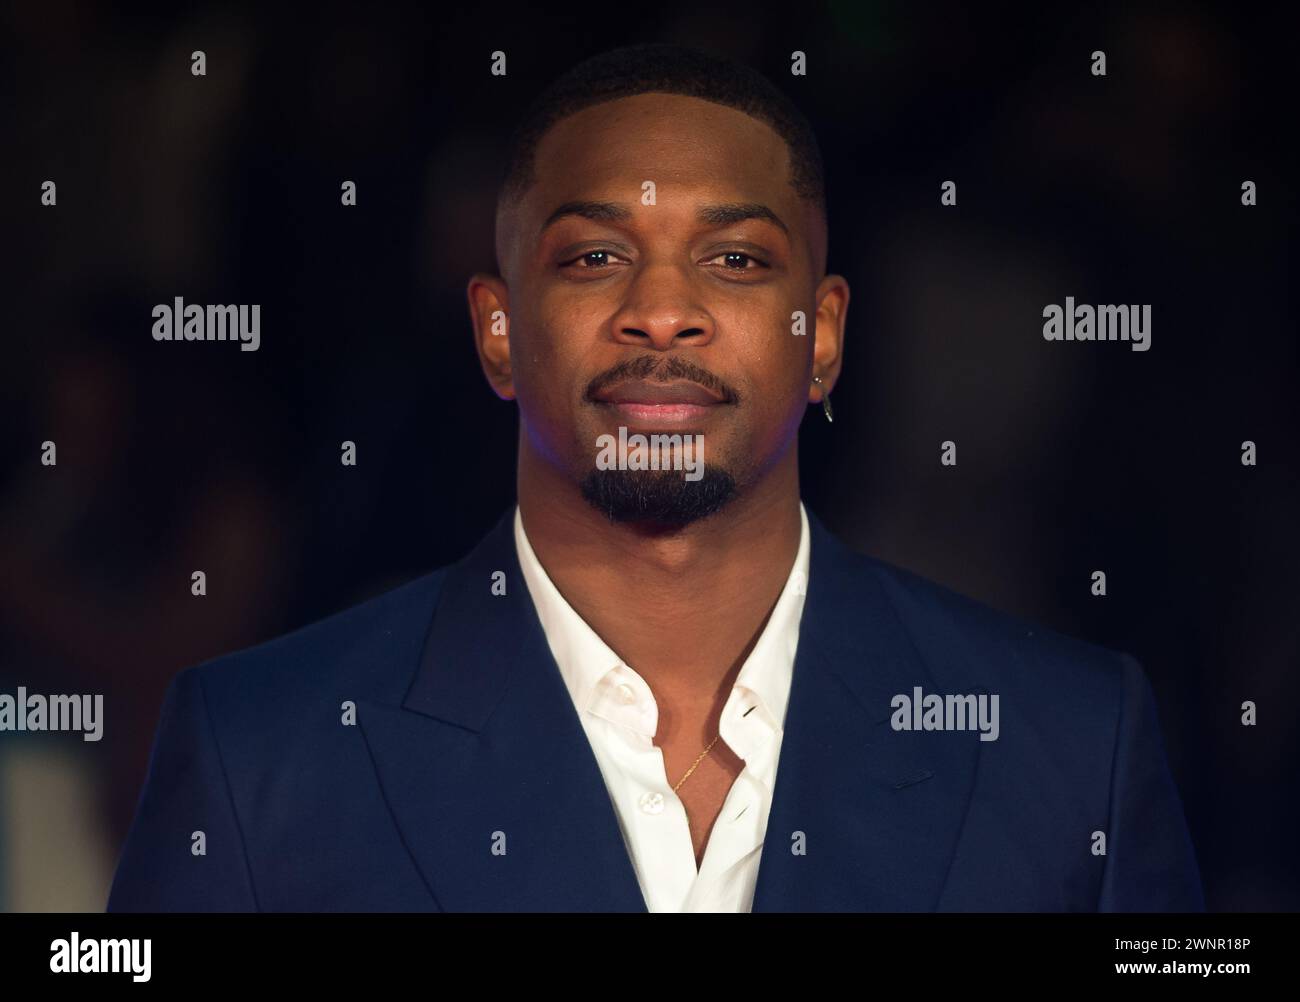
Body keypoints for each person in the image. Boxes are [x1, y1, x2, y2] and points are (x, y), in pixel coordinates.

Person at [107, 42, 1203, 912]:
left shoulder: (1066, 743)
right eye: (594, 255)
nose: (662, 308)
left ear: (819, 337)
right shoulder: (263, 751)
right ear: (496, 331)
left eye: (734, 259)